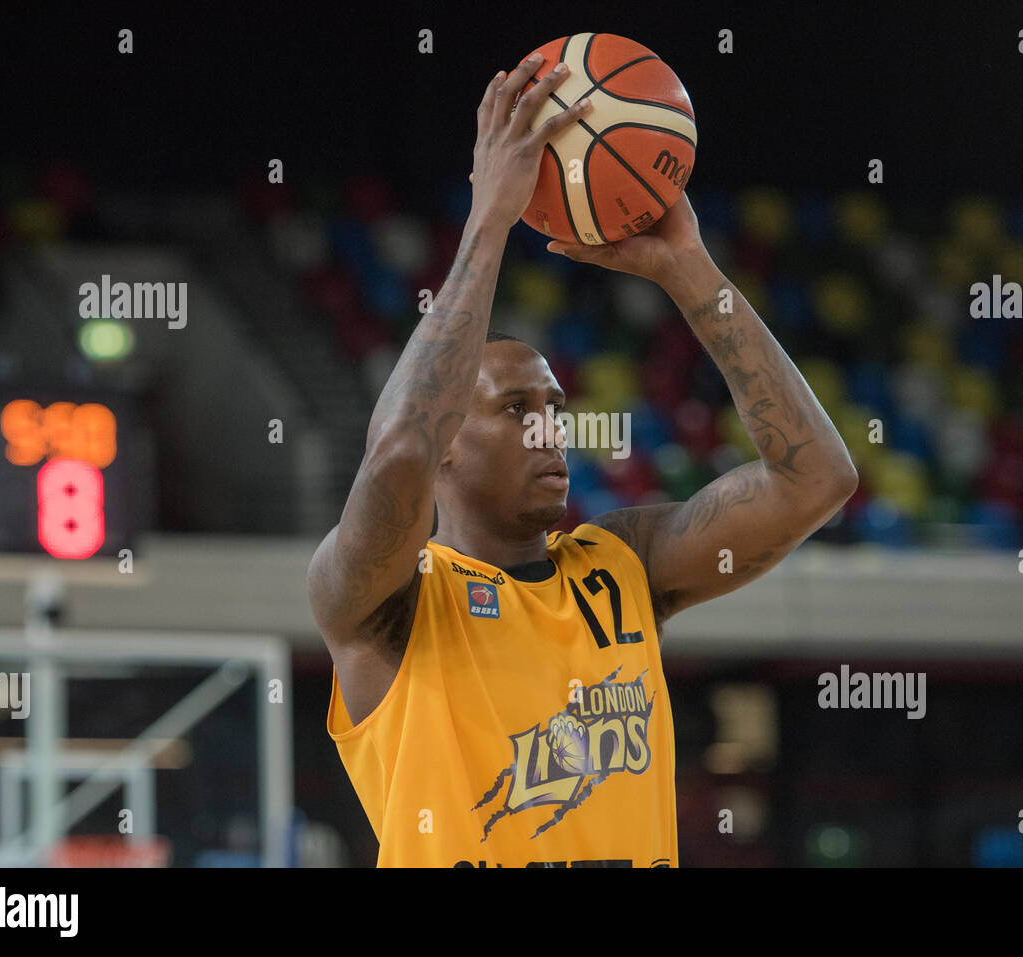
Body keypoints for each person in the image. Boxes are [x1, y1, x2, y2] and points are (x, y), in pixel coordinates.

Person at [308, 52, 858, 867]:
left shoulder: (622, 565)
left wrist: (690, 270)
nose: (549, 431)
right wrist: (488, 223)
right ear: (446, 446)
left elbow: (819, 478)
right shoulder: (385, 604)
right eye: (516, 409)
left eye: (558, 409)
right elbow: (395, 453)